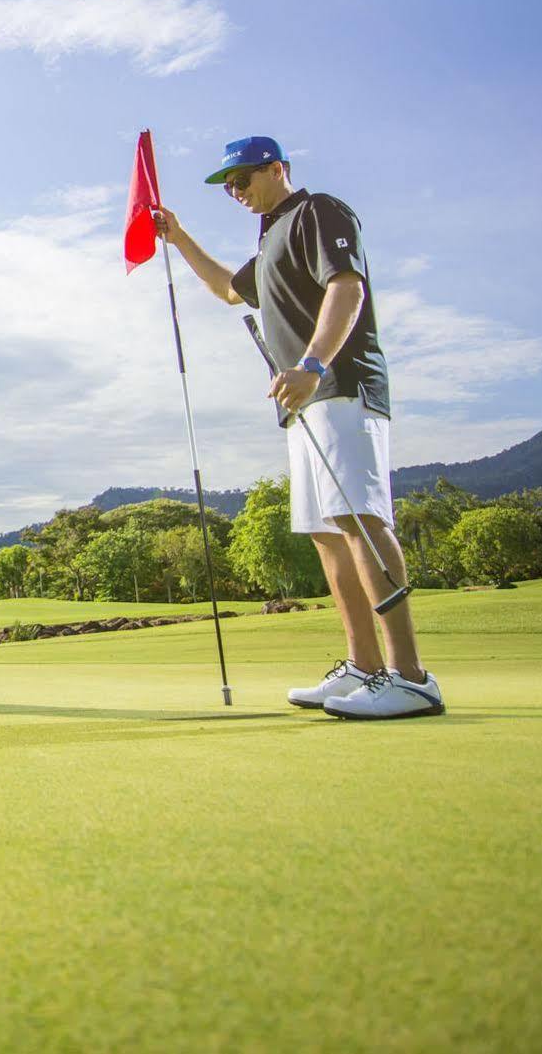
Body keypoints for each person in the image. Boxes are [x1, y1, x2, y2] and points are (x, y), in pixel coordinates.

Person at [154, 136, 442, 720]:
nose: (236, 192)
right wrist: (179, 237)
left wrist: (313, 365)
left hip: (338, 387)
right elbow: (227, 290)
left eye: (244, 179)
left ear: (278, 168)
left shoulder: (318, 212)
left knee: (360, 518)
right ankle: (363, 668)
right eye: (228, 186)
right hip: (302, 403)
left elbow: (347, 287)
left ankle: (410, 677)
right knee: (327, 530)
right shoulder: (269, 240)